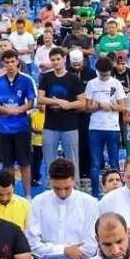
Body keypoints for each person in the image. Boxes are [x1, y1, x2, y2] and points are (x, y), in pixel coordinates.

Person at [0, 49, 37, 198]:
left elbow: (32, 102)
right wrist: (7, 110)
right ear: (2, 63)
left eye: (12, 61)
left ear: (17, 61)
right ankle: (12, 195)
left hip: (22, 127)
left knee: (25, 163)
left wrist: (19, 110)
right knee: (8, 165)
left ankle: (28, 195)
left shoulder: (26, 80)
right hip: (4, 129)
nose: (10, 65)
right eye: (7, 62)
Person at [37, 47, 86, 184]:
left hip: (69, 125)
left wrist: (67, 105)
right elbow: (40, 98)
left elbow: (82, 102)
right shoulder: (46, 78)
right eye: (53, 60)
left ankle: (74, 185)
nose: (56, 62)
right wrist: (58, 101)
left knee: (72, 159)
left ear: (64, 59)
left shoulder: (73, 79)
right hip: (50, 125)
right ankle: (51, 185)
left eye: (58, 59)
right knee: (49, 158)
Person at [85, 56, 126, 198]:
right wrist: (98, 106)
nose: (104, 76)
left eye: (107, 73)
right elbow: (87, 107)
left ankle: (117, 192)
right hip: (95, 127)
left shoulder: (116, 83)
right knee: (95, 162)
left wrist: (111, 107)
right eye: (102, 74)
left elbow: (123, 107)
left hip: (112, 127)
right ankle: (95, 194)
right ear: (97, 71)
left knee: (114, 161)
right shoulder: (91, 84)